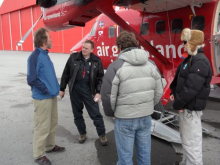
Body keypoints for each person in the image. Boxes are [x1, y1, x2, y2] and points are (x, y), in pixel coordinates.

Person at [101, 31, 163, 165]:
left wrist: (112, 113)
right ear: (136, 44)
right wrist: (149, 106)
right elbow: (159, 91)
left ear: (119, 47)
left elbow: (107, 96)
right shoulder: (151, 64)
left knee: (125, 158)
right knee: (145, 155)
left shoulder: (115, 66)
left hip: (124, 118)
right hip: (145, 116)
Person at [170, 28, 212, 165]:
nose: (183, 45)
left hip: (190, 110)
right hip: (186, 109)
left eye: (185, 42)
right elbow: (181, 81)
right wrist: (173, 93)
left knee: (192, 143)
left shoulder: (199, 61)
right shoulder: (191, 59)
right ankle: (186, 162)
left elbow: (190, 89)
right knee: (187, 140)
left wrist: (178, 103)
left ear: (192, 42)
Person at [27, 28, 65, 165]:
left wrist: (56, 89)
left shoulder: (45, 54)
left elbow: (47, 76)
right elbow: (31, 79)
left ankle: (49, 146)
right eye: (49, 37)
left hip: (51, 96)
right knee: (42, 126)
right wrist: (45, 89)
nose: (51, 40)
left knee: (52, 123)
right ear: (43, 40)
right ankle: (38, 155)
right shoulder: (35, 56)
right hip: (43, 98)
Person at [59, 40, 108, 146]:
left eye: (86, 48)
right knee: (77, 114)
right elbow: (66, 73)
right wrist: (62, 88)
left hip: (89, 91)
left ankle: (102, 135)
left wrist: (98, 92)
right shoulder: (73, 58)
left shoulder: (96, 61)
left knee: (96, 114)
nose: (83, 50)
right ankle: (82, 133)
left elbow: (100, 78)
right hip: (75, 90)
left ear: (92, 50)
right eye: (83, 47)